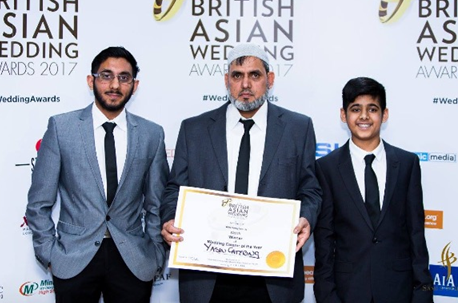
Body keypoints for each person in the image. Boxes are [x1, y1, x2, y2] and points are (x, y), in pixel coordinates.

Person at [160, 43, 322, 303]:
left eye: (254, 75)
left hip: (272, 275)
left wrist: (306, 217)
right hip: (208, 276)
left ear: (269, 80)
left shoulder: (297, 128)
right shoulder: (194, 129)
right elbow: (174, 190)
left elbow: (310, 189)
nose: (245, 84)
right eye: (237, 75)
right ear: (227, 80)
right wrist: (169, 218)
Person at [25, 46, 169, 303]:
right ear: (91, 80)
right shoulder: (61, 128)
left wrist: (157, 253)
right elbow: (39, 203)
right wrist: (49, 253)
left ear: (134, 86)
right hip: (73, 258)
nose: (115, 84)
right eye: (106, 75)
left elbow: (156, 203)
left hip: (133, 260)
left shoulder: (152, 134)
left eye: (124, 77)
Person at [313, 77, 433, 303]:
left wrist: (423, 292)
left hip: (399, 289)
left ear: (384, 114)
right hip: (348, 291)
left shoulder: (407, 164)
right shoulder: (326, 168)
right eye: (356, 109)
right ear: (343, 115)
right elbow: (325, 241)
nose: (364, 117)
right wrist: (327, 296)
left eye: (373, 109)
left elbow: (416, 233)